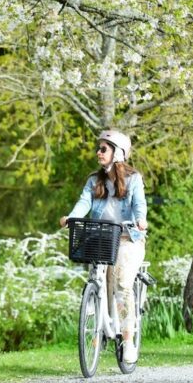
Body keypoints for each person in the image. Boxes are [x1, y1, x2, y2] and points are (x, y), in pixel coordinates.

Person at [60, 129, 148, 364]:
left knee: (121, 285)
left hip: (128, 239)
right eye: (98, 148)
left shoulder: (133, 179)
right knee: (97, 275)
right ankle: (94, 304)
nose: (98, 152)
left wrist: (141, 220)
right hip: (102, 237)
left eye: (103, 149)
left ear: (117, 153)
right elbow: (84, 202)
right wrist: (70, 217)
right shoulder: (94, 180)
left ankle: (128, 340)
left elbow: (139, 205)